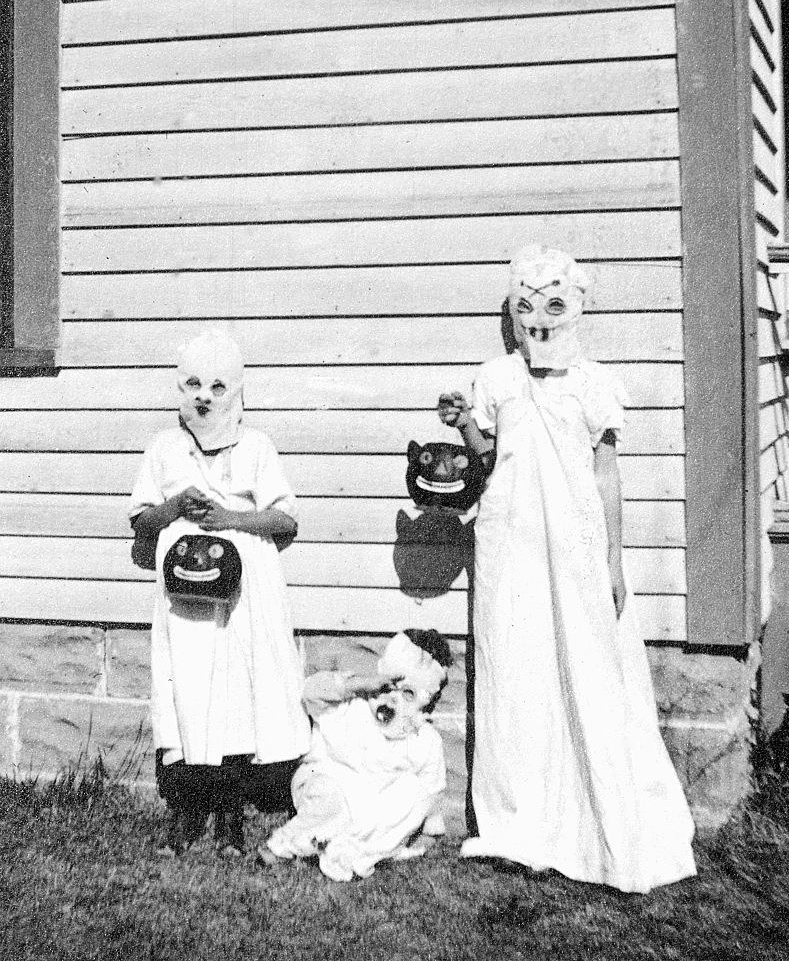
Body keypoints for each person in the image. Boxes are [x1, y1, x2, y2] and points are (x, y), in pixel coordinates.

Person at [437, 245, 696, 893]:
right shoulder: (496, 378)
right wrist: (463, 421)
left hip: (576, 546)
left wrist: (612, 558)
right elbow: (489, 456)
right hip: (511, 546)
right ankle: (518, 825)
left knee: (588, 670)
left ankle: (591, 821)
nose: (540, 321)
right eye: (525, 307)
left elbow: (606, 476)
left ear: (575, 306)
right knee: (516, 675)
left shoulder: (593, 384)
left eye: (553, 305)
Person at [129, 330, 310, 855]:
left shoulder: (256, 446)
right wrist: (177, 508)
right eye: (192, 385)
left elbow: (285, 517)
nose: (203, 397)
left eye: (216, 386)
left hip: (243, 594)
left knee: (235, 696)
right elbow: (142, 521)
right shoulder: (164, 448)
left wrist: (229, 517)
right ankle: (186, 816)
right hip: (184, 597)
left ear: (235, 391)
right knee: (185, 690)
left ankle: (229, 818)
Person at [259, 629, 452, 881]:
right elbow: (310, 692)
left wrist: (427, 834)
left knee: (413, 791)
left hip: (371, 810)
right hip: (329, 783)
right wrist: (358, 684)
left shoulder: (423, 739)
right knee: (332, 800)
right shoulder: (352, 706)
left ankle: (350, 850)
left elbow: (431, 789)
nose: (393, 699)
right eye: (388, 687)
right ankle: (285, 845)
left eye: (408, 695)